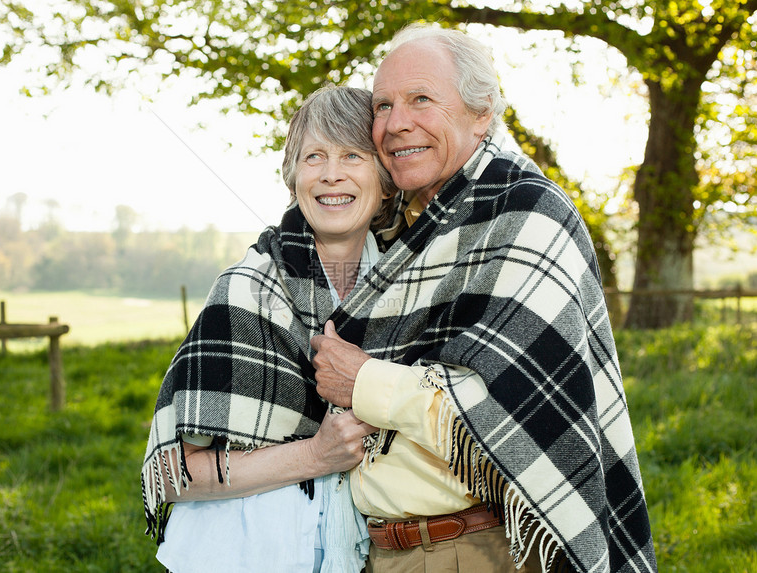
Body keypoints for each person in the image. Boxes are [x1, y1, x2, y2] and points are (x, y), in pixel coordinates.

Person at [310, 24, 657, 573]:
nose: (396, 123)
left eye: (421, 99)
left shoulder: (526, 213)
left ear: (482, 112)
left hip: (482, 550)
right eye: (382, 105)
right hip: (381, 550)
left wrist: (364, 382)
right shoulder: (395, 226)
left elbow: (510, 406)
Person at [141, 85, 399, 572]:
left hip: (353, 551)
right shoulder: (245, 290)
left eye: (352, 154)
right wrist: (316, 455)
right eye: (313, 156)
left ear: (386, 179)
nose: (330, 174)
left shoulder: (409, 291)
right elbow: (172, 475)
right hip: (241, 552)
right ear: (294, 178)